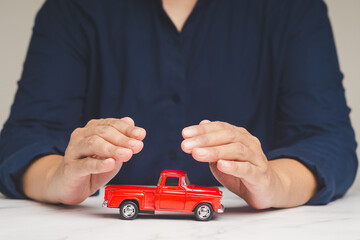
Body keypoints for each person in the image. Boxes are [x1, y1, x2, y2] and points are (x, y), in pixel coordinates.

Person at [0, 0, 357, 209]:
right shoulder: (71, 9)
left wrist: (274, 180)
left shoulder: (294, 8)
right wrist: (58, 176)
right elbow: (22, 139)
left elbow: (329, 142)